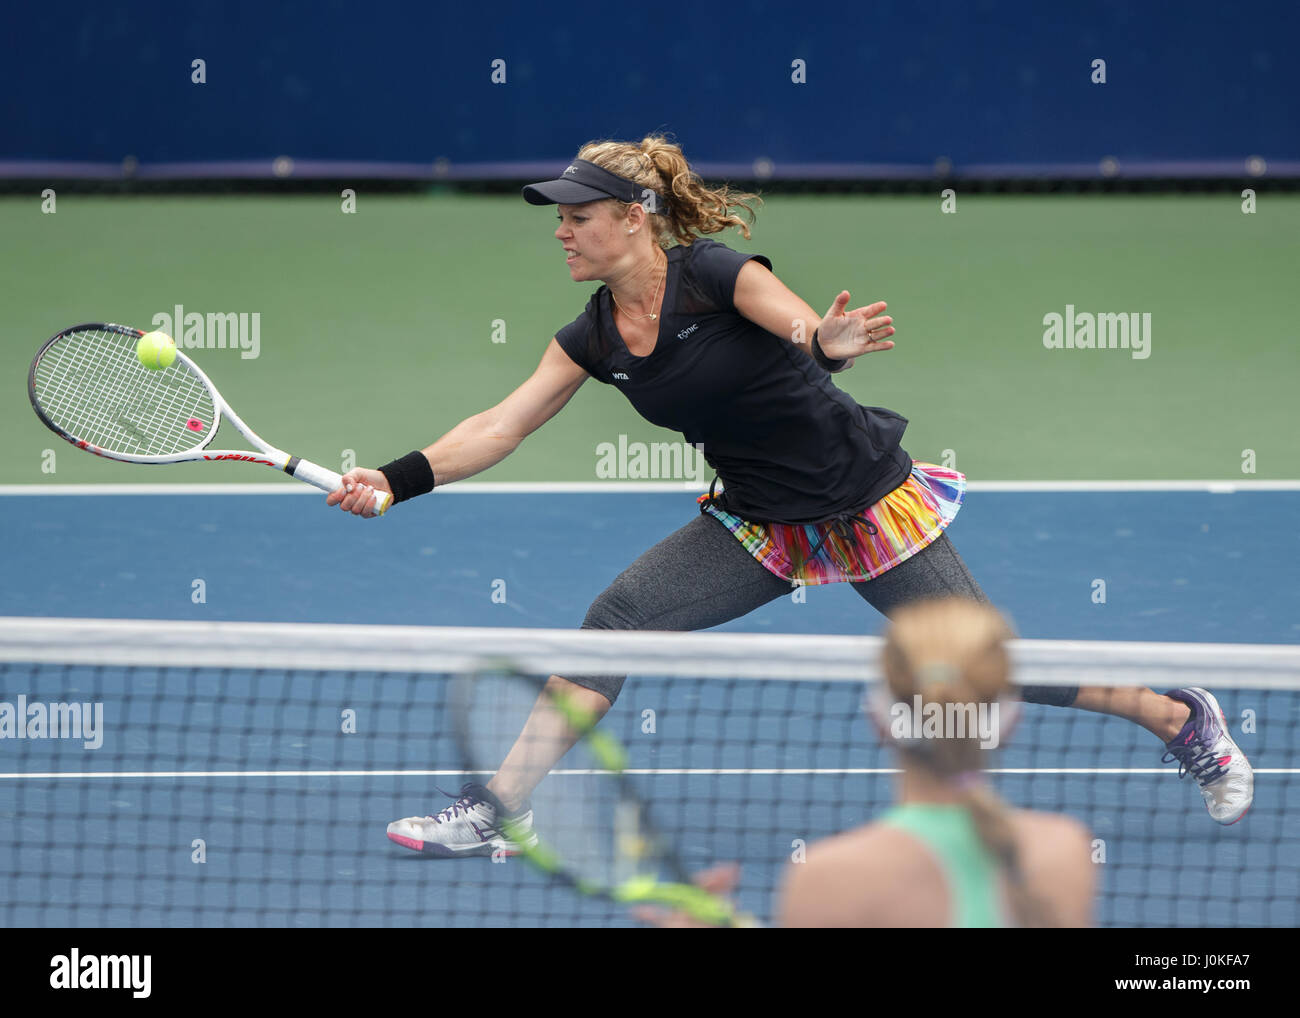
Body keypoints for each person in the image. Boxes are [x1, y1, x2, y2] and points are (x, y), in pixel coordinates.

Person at [324, 135, 1253, 856]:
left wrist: (828, 344)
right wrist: (396, 480)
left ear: (637, 216)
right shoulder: (593, 335)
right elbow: (501, 425)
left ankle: (1180, 716)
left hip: (862, 505)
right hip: (760, 525)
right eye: (558, 218)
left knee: (982, 672)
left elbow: (801, 324)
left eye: (578, 215)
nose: (562, 231)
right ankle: (499, 808)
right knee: (614, 620)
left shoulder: (718, 274)